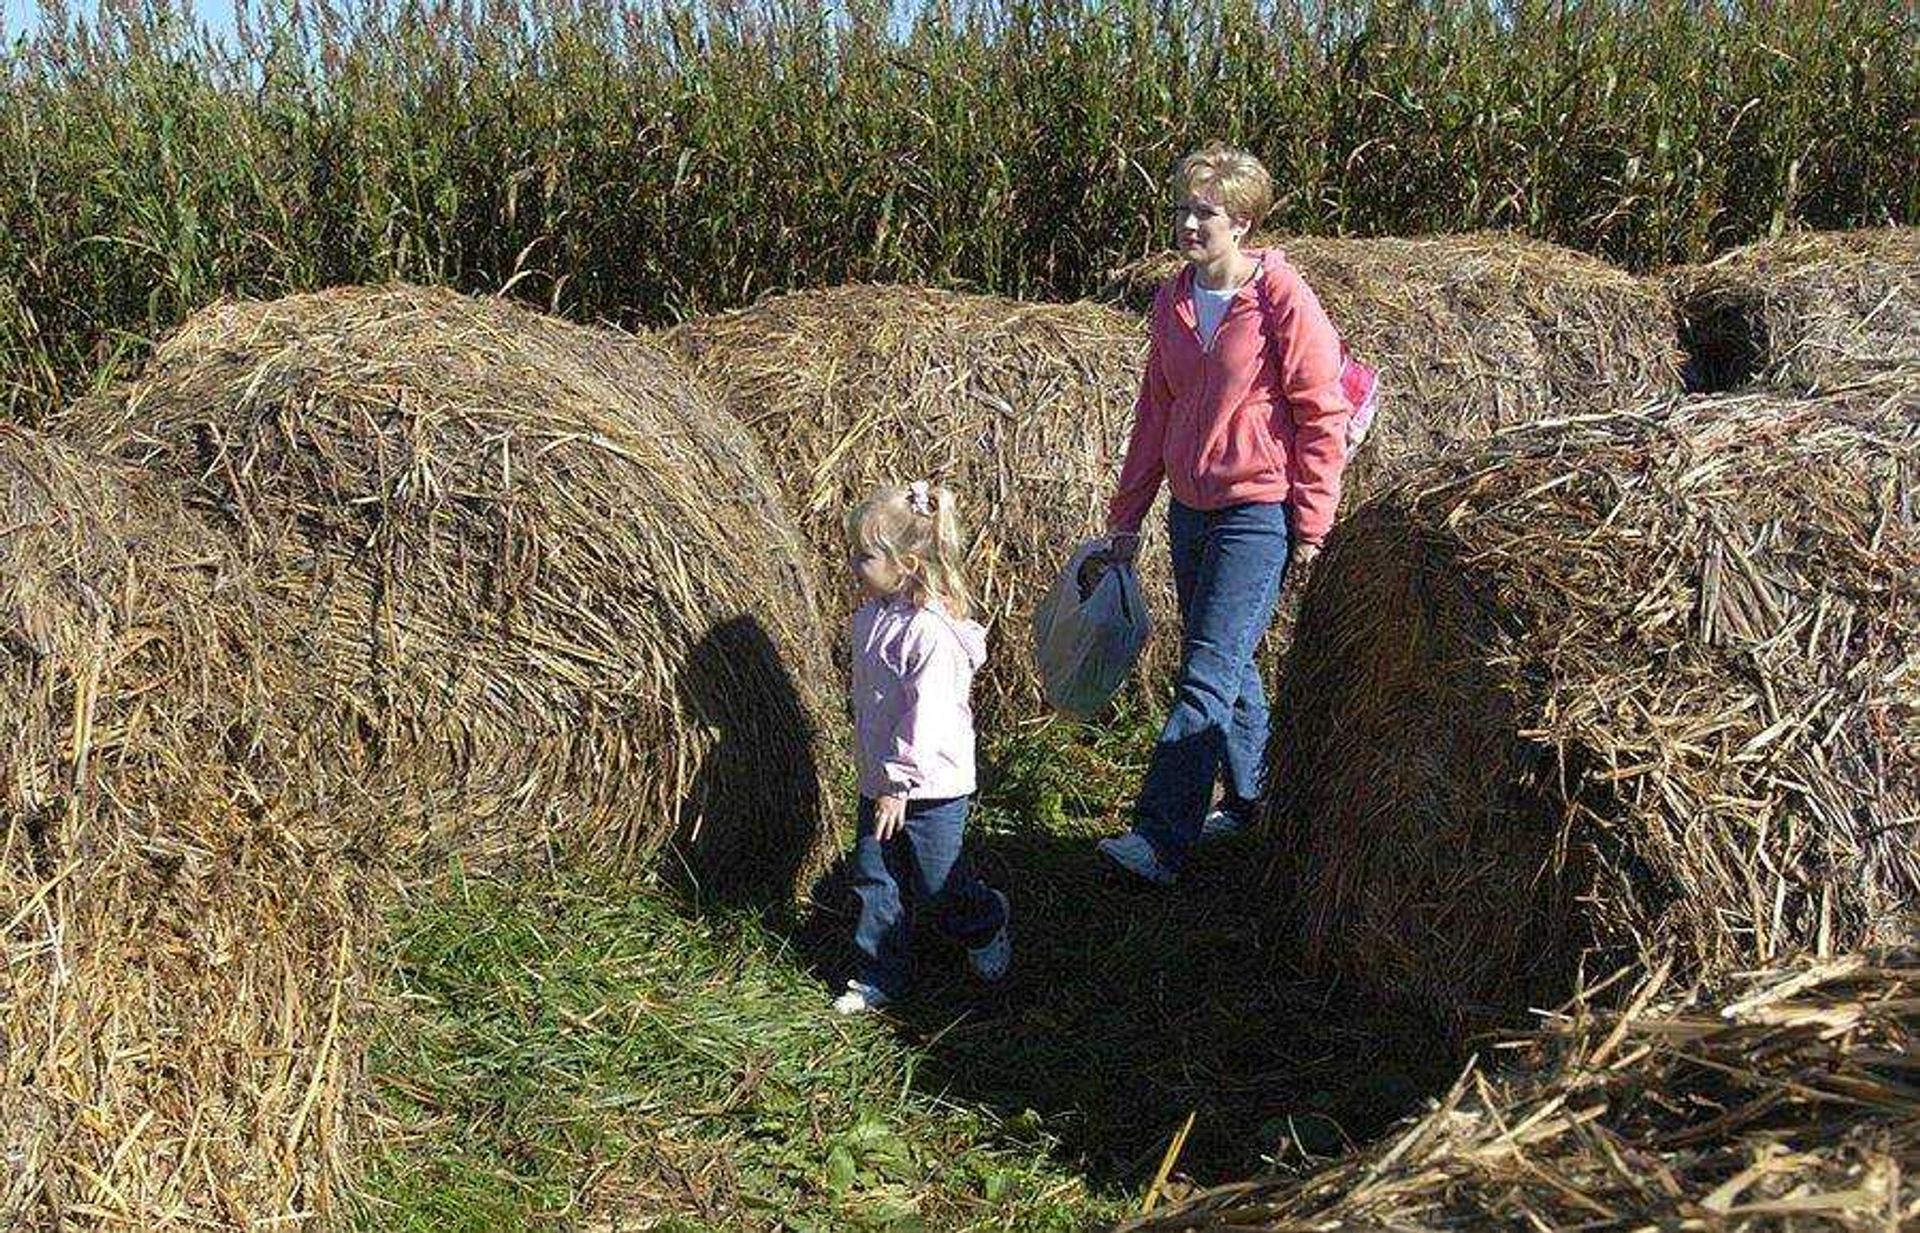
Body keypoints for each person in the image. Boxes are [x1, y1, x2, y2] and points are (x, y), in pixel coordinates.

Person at [1094, 143, 1353, 886]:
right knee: (1231, 670)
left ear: (1241, 221)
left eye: (1203, 212)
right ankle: (1256, 803)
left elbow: (1320, 410)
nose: (1187, 223)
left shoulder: (1280, 295)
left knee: (1205, 674)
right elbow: (1155, 411)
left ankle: (1159, 837)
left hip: (1256, 512)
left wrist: (1311, 522)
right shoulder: (1174, 299)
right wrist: (1128, 512)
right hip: (1190, 510)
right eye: (1182, 208)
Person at [836, 479, 1010, 1014]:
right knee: (875, 874)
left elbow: (928, 718)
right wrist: (879, 777)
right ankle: (878, 974)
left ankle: (986, 921)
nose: (853, 565)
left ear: (905, 564)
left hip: (929, 784)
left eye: (864, 556)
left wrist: (899, 783)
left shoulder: (931, 634)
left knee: (939, 883)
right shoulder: (870, 619)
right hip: (881, 781)